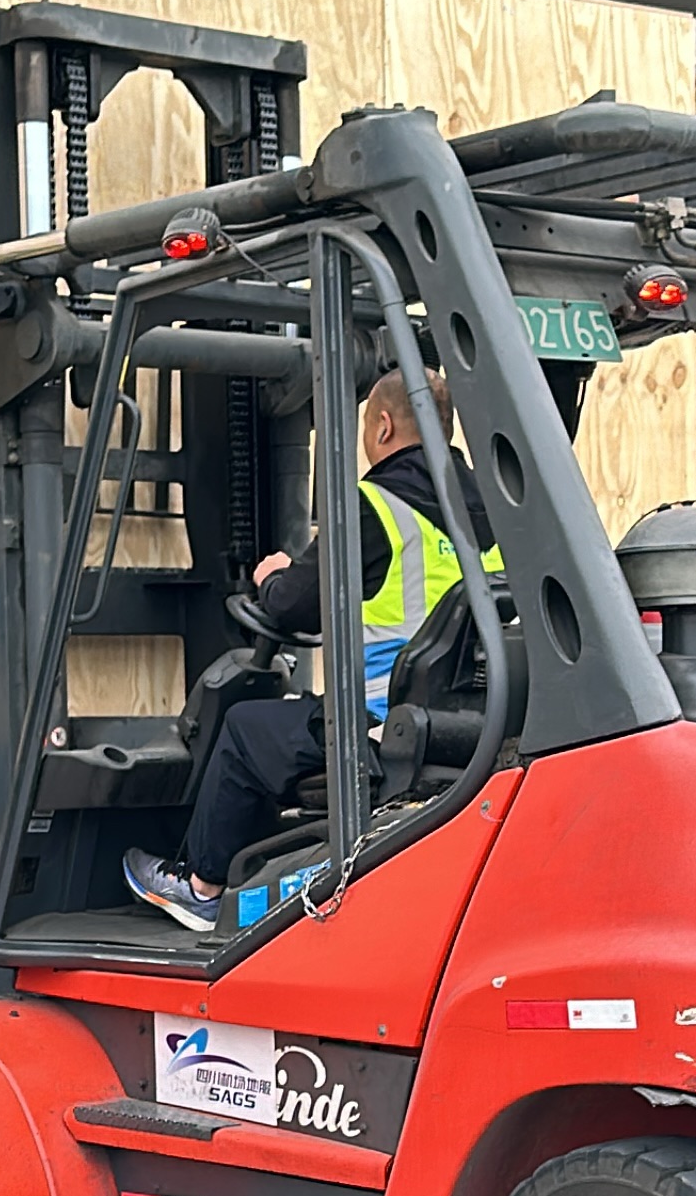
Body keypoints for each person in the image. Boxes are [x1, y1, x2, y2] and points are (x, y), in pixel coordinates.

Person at [122, 366, 497, 929]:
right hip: (475, 729)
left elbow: (292, 604)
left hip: (381, 728)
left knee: (248, 728)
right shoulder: (495, 510)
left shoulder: (376, 506)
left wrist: (273, 576)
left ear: (385, 426)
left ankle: (202, 886)